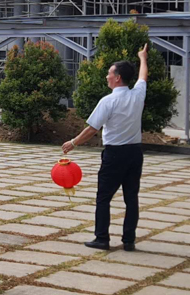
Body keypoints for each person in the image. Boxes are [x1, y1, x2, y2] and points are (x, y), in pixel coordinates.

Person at [63, 43, 149, 252]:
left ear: (117, 77)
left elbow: (92, 129)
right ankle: (129, 240)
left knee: (103, 197)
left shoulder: (108, 101)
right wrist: (143, 58)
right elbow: (143, 77)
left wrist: (73, 142)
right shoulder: (137, 95)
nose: (107, 77)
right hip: (135, 153)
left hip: (114, 154)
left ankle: (102, 238)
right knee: (131, 198)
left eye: (109, 73)